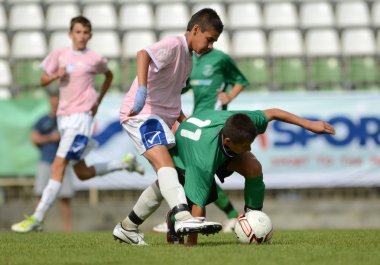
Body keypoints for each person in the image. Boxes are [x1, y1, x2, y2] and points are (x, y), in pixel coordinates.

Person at [116, 108, 336, 245]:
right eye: (246, 144)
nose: (250, 146)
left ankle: (253, 218)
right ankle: (173, 221)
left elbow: (275, 113)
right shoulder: (204, 160)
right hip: (186, 155)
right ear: (230, 142)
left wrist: (309, 125)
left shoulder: (244, 122)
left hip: (212, 140)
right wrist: (192, 249)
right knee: (189, 200)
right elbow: (198, 209)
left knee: (253, 166)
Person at [11, 16, 144, 233]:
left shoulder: (94, 58)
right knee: (82, 172)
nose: (81, 36)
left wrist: (98, 101)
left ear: (90, 35)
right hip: (64, 119)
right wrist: (56, 75)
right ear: (70, 34)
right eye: (78, 32)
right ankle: (125, 164)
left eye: (85, 32)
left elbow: (108, 75)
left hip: (81, 120)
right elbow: (42, 80)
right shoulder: (60, 55)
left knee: (58, 165)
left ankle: (38, 216)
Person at [113, 8, 225, 245]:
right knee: (165, 165)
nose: (211, 46)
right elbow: (143, 54)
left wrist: (185, 122)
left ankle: (128, 227)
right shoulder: (174, 44)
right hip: (142, 115)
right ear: (196, 30)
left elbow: (172, 97)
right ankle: (182, 215)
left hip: (163, 119)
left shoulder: (188, 59)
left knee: (175, 173)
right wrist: (141, 90)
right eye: (209, 39)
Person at [153, 48, 249, 233]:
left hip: (216, 123)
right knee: (195, 173)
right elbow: (182, 87)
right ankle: (220, 216)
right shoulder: (191, 61)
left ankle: (179, 217)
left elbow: (241, 81)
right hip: (196, 122)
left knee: (198, 172)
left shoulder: (221, 58)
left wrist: (229, 96)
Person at [31, 89, 75, 232]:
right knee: (40, 194)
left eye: (58, 99)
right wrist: (51, 138)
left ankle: (67, 229)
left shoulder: (67, 120)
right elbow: (34, 138)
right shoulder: (43, 120)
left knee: (65, 197)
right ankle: (37, 225)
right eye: (53, 98)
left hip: (63, 162)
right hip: (46, 161)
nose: (55, 102)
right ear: (50, 101)